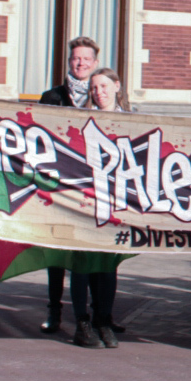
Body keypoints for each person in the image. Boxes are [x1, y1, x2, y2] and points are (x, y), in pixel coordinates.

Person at [35, 36, 102, 331]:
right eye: (77, 58)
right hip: (59, 184)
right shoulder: (52, 97)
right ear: (69, 61)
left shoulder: (102, 94)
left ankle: (99, 312)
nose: (81, 63)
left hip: (94, 187)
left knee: (96, 251)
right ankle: (55, 310)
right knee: (57, 252)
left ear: (95, 63)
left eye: (87, 59)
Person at [68, 68, 136, 347]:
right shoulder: (79, 119)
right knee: (81, 265)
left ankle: (103, 319)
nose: (99, 92)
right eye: (94, 87)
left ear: (117, 87)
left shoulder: (132, 122)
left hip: (116, 203)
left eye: (104, 86)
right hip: (83, 203)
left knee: (108, 264)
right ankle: (81, 322)